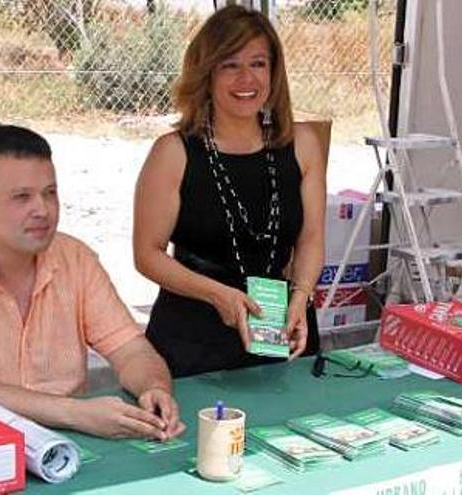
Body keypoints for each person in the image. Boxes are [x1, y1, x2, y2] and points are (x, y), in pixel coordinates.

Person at [0, 124, 184, 440]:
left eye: (50, 193)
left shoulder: (76, 258)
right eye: (22, 197)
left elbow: (133, 352)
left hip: (66, 443)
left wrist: (154, 389)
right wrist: (75, 413)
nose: (42, 209)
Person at [134, 5, 326, 377]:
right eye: (230, 65)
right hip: (193, 340)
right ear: (206, 74)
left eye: (257, 63)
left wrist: (300, 297)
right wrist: (217, 294)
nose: (246, 79)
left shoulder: (302, 145)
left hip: (280, 331)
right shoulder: (173, 152)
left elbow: (312, 238)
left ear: (273, 72)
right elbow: (147, 254)